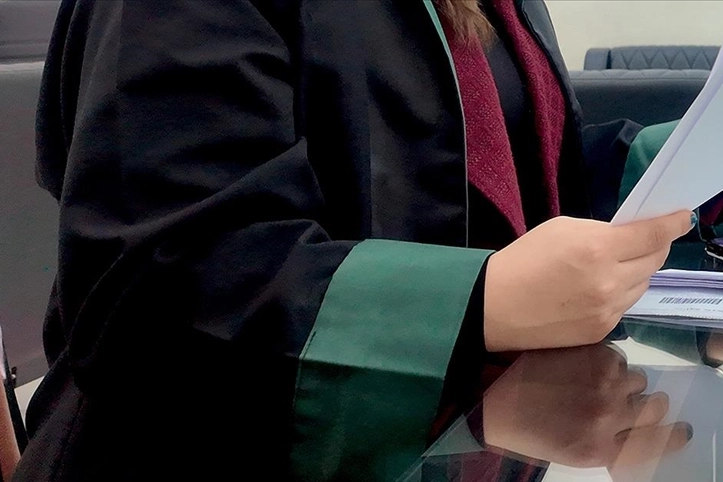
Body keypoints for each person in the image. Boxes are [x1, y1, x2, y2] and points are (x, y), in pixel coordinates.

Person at [15, 0, 694, 480]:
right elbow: (156, 289)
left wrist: (681, 179)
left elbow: (499, 175)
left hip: (461, 438)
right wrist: (475, 301)